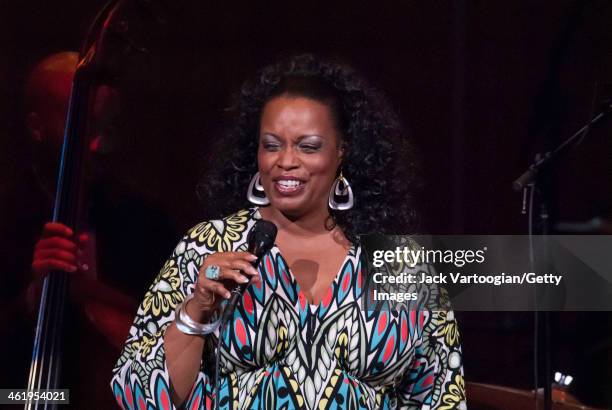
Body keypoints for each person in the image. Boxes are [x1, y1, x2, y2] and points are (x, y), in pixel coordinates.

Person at [111, 54, 466, 409]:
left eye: (307, 146)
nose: (286, 161)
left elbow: (441, 394)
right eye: (271, 145)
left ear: (343, 150)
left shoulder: (399, 263)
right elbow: (140, 395)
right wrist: (197, 310)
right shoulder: (209, 246)